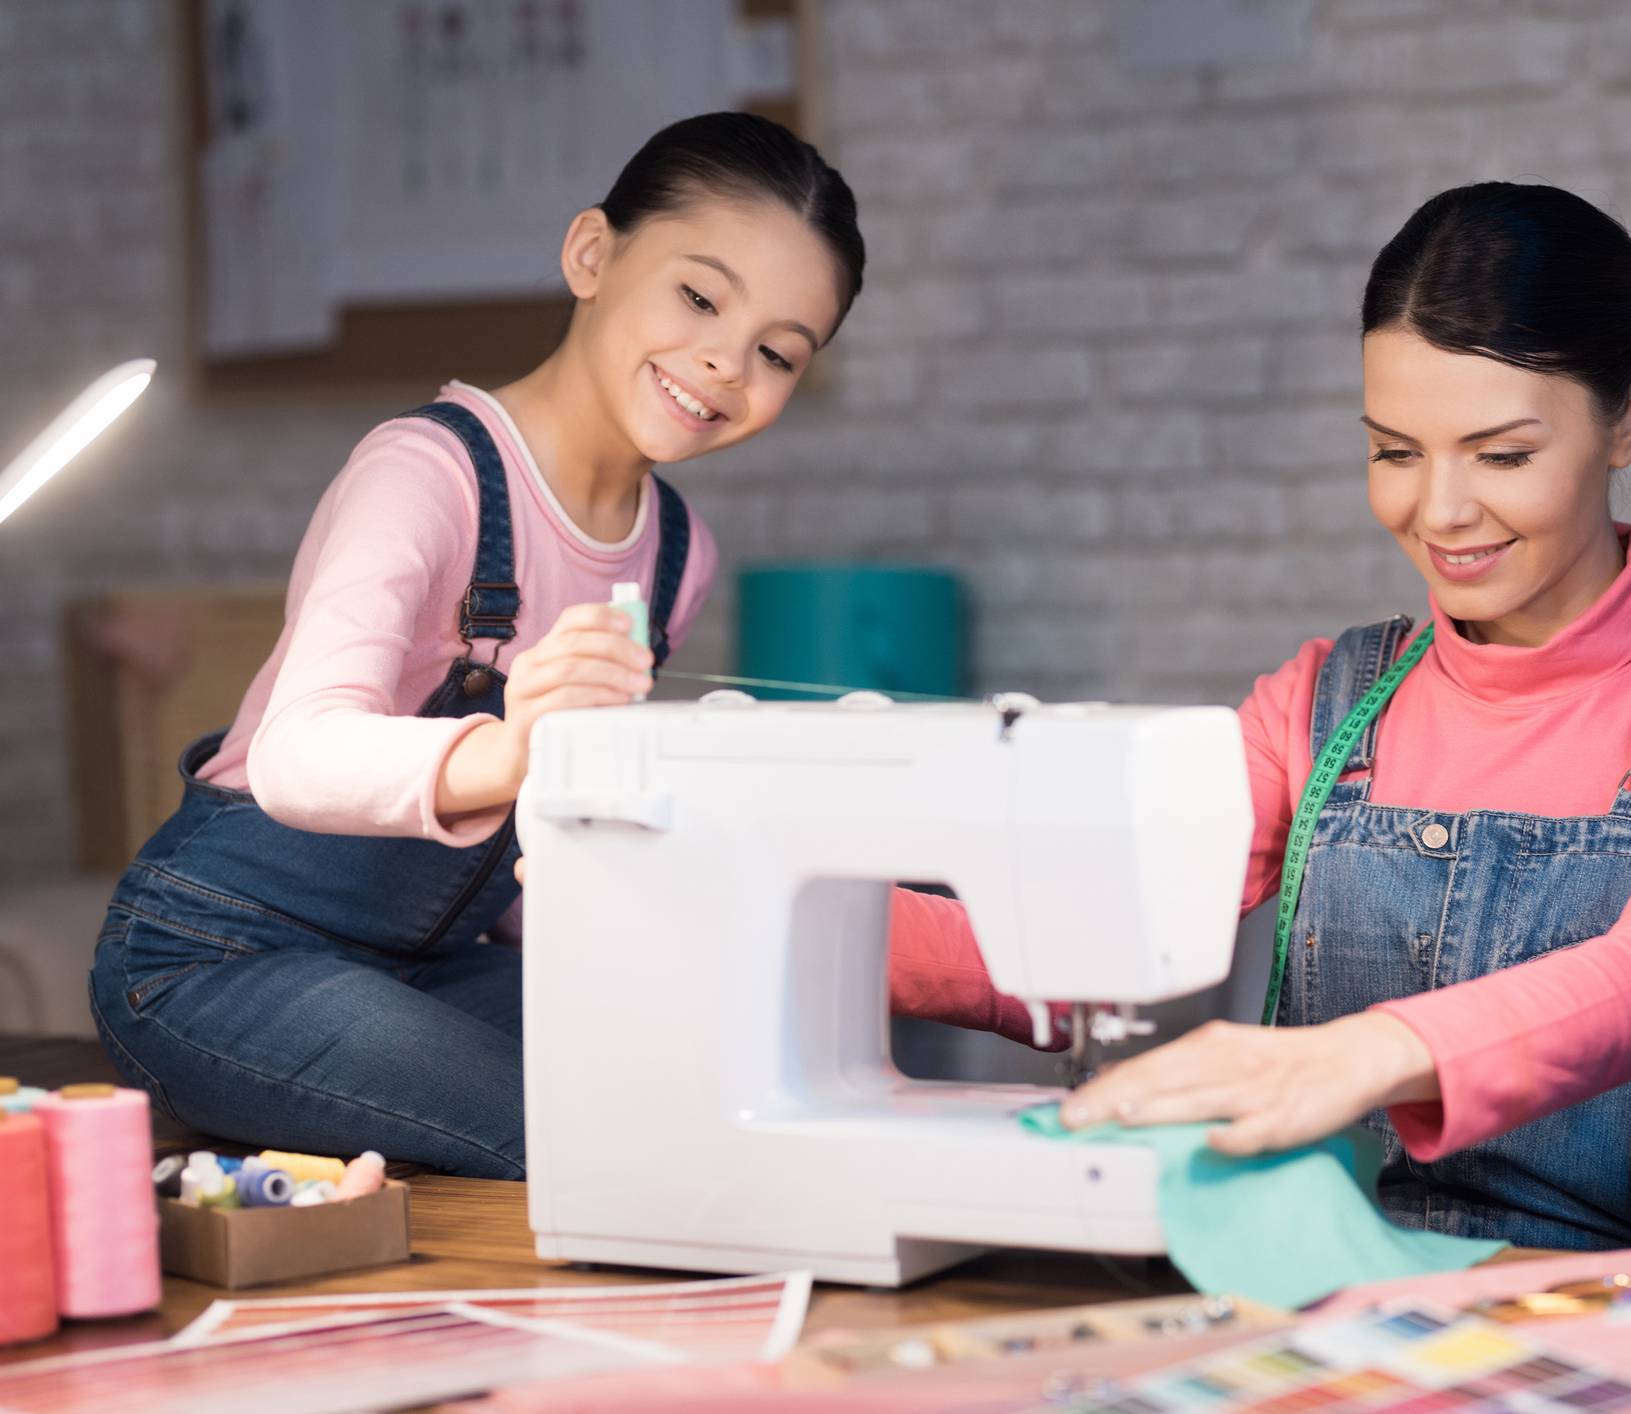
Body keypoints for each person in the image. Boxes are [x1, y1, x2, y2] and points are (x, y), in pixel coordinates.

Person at [89, 113, 1031, 1179]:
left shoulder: (676, 552)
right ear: (592, 253)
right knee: (596, 1136)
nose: (726, 358)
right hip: (219, 960)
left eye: (777, 353)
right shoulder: (425, 474)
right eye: (699, 296)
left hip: (430, 965)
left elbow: (527, 860)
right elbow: (295, 755)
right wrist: (509, 751)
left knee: (734, 1082)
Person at [922, 182, 1631, 1250]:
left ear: (1629, 417)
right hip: (1317, 1265)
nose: (1440, 511)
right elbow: (1095, 921)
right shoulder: (1324, 700)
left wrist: (1352, 1056)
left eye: (1501, 455)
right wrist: (789, 918)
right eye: (1394, 452)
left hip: (1608, 1303)